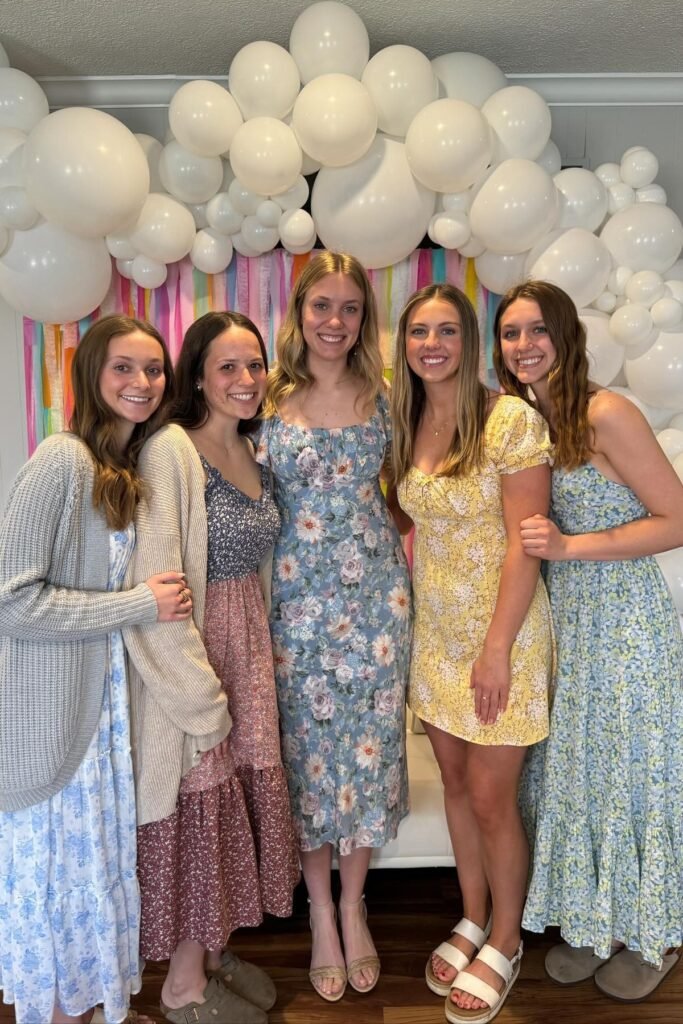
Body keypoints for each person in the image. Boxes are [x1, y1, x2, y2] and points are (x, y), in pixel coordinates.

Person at [494, 279, 683, 1002]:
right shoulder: (529, 420)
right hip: (567, 619)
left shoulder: (605, 411)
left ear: (566, 335)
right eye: (510, 334)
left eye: (536, 330)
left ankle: (654, 932)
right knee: (577, 771)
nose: (523, 346)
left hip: (624, 620)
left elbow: (674, 519)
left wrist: (572, 548)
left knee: (628, 773)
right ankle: (594, 918)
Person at [0, 315, 190, 1024]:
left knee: (93, 876)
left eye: (153, 370)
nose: (141, 384)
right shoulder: (62, 459)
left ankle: (86, 1010)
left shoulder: (121, 467)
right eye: (123, 368)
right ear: (90, 374)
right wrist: (136, 605)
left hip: (99, 712)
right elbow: (10, 601)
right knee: (57, 884)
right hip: (53, 718)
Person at [123, 311, 299, 1024]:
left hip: (247, 647)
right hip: (196, 655)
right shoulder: (170, 450)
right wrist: (198, 692)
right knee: (201, 806)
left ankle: (214, 948)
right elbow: (158, 573)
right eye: (227, 367)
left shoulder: (253, 451)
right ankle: (182, 985)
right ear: (197, 374)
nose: (245, 380)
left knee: (235, 808)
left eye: (253, 364)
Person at [390, 283, 554, 1024]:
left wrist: (495, 651)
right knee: (455, 784)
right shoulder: (409, 417)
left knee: (492, 798)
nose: (432, 343)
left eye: (447, 330)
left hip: (501, 634)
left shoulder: (509, 422)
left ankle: (506, 939)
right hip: (437, 634)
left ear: (470, 342)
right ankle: (469, 914)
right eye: (419, 331)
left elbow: (527, 546)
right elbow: (403, 511)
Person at [256, 251, 411, 1002]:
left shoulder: (386, 397)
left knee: (367, 756)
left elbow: (415, 490)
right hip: (294, 610)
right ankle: (319, 910)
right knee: (310, 762)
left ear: (363, 319)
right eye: (322, 305)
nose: (334, 321)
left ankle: (355, 904)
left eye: (349, 308)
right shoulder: (265, 395)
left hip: (376, 609)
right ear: (299, 311)